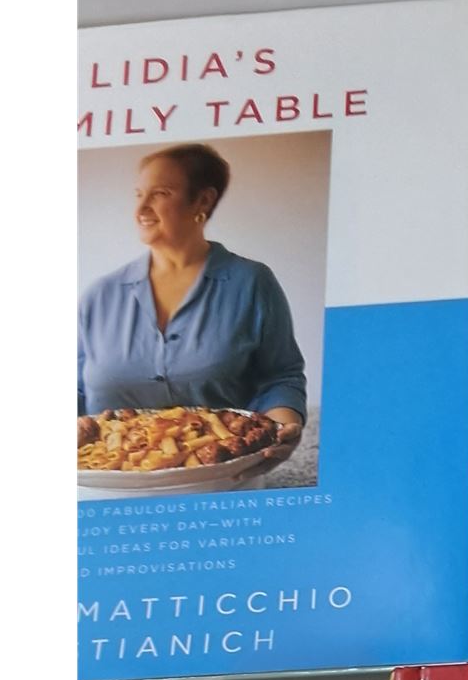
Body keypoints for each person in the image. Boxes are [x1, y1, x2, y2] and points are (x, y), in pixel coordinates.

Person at [78, 142, 306, 455]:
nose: (141, 209)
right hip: (105, 479)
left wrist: (280, 429)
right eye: (138, 194)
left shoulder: (252, 283)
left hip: (224, 476)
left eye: (160, 193)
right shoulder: (98, 296)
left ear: (203, 200)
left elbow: (280, 377)